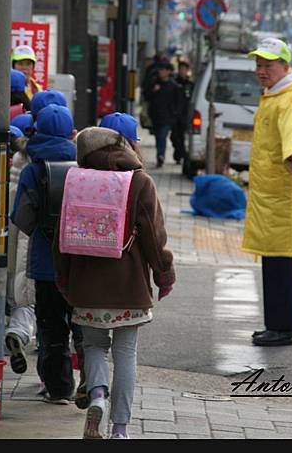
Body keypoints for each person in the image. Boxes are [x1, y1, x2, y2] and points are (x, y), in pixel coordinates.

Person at [52, 113, 176, 439]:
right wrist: (164, 275)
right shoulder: (140, 181)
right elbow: (153, 236)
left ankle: (96, 396)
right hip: (129, 289)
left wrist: (64, 280)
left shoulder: (76, 178)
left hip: (86, 287)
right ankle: (120, 429)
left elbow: (60, 237)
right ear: (129, 144)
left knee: (93, 347)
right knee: (125, 354)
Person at [241, 37, 292, 346]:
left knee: (276, 261)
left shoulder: (291, 98)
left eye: (268, 65)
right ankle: (289, 323)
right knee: (278, 261)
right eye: (258, 65)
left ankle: (281, 328)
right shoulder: (276, 94)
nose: (261, 71)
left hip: (282, 194)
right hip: (274, 193)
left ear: (285, 66)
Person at [11, 104, 83, 403]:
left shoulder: (31, 169)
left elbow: (22, 217)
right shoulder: (84, 167)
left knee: (51, 329)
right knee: (81, 327)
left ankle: (58, 388)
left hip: (44, 264)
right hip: (80, 262)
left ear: (37, 130)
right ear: (70, 133)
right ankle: (91, 382)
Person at [5, 122, 36, 375]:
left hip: (6, 236)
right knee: (29, 297)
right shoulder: (48, 165)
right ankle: (19, 331)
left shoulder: (15, 163)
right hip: (35, 241)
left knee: (13, 292)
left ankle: (11, 332)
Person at [143, 60, 181, 168]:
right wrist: (153, 91)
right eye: (160, 70)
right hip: (155, 116)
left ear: (168, 71)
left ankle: (161, 156)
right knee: (157, 137)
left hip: (167, 117)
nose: (161, 72)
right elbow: (146, 97)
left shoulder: (173, 86)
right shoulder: (154, 83)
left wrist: (174, 114)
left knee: (162, 136)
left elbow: (178, 102)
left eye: (163, 70)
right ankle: (159, 155)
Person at [170, 60, 194, 164]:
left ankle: (180, 155)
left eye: (184, 69)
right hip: (174, 114)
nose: (182, 71)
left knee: (182, 136)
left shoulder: (190, 84)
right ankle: (180, 154)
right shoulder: (174, 82)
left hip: (186, 115)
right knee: (174, 136)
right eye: (181, 69)